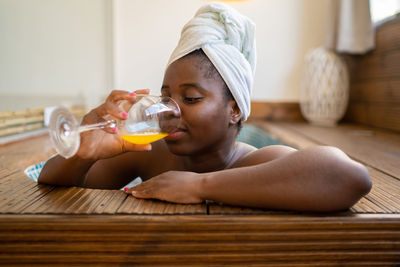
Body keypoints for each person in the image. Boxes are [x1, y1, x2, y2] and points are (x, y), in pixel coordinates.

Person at [38, 2, 371, 212]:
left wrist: (200, 186)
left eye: (192, 98)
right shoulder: (153, 153)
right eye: (166, 95)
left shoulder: (256, 162)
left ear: (235, 110)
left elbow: (350, 177)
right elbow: (52, 184)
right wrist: (83, 152)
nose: (171, 109)